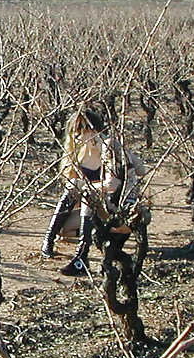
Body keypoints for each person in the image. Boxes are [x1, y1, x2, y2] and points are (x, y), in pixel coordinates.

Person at [41, 110, 145, 276]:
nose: (75, 138)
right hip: (100, 210)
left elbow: (121, 180)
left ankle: (81, 257)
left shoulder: (109, 146)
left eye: (78, 133)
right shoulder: (81, 155)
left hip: (121, 209)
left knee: (86, 191)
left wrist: (121, 153)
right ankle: (50, 237)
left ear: (90, 130)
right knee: (65, 228)